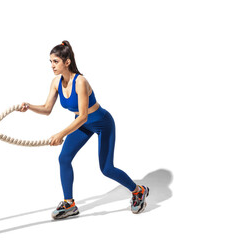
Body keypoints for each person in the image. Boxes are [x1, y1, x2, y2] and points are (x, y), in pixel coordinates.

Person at [20, 41, 149, 219]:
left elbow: (83, 116)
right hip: (83, 125)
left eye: (55, 61)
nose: (52, 66)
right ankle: (69, 204)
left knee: (106, 168)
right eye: (50, 61)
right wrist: (29, 106)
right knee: (64, 158)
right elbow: (47, 108)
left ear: (67, 62)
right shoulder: (56, 83)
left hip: (103, 123)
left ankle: (138, 191)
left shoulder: (80, 82)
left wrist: (61, 134)